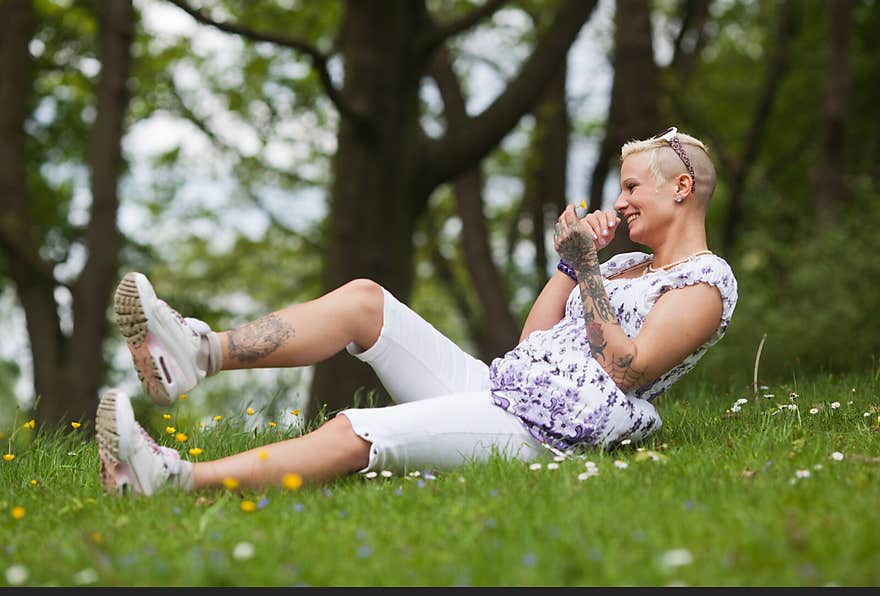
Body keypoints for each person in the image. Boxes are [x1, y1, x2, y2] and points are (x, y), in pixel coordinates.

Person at [96, 127, 737, 496]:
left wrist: (588, 272)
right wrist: (571, 267)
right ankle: (199, 354)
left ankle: (174, 478)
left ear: (681, 188)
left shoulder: (705, 284)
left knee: (357, 430)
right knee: (363, 301)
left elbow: (627, 369)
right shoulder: (625, 267)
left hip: (548, 433)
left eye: (631, 187)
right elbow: (534, 343)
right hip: (506, 389)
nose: (621, 202)